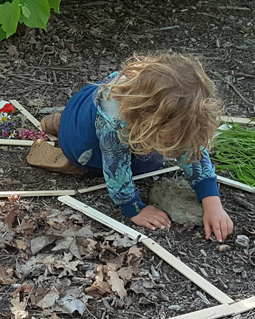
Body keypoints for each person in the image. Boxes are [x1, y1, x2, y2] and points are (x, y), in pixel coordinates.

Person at [38, 53, 233, 242]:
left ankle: (61, 121)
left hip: (82, 103)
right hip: (81, 146)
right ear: (150, 121)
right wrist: (134, 208)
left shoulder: (142, 87)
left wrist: (211, 201)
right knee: (149, 163)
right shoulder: (115, 122)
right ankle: (78, 162)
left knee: (150, 147)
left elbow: (191, 148)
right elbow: (115, 168)